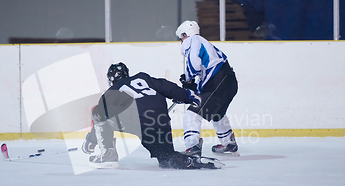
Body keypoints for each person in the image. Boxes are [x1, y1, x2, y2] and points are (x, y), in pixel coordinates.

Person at [81, 62, 218, 169]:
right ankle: (191, 160)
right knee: (167, 159)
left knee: (98, 111)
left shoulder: (112, 91)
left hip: (141, 123)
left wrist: (91, 140)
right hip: (162, 122)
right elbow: (167, 87)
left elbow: (101, 115)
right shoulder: (143, 78)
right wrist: (187, 96)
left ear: (111, 79)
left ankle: (108, 155)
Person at [175, 20, 239, 157]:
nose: (181, 41)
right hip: (229, 81)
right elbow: (206, 72)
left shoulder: (191, 40)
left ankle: (192, 147)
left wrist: (188, 80)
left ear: (184, 34)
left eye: (181, 38)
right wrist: (194, 86)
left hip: (219, 82)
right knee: (217, 113)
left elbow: (194, 64)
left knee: (192, 114)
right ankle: (229, 143)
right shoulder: (205, 43)